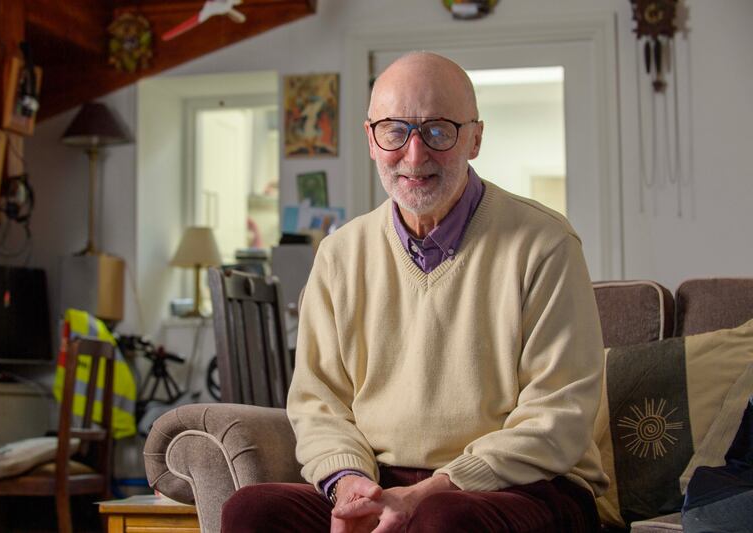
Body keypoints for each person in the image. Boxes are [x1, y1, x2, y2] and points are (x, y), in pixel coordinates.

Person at [222, 51, 609, 532]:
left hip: (526, 484)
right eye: (394, 130)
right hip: (382, 480)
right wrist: (351, 486)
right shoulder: (339, 254)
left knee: (440, 519)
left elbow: (559, 417)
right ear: (370, 138)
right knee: (251, 510)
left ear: (476, 138)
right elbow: (318, 403)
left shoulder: (545, 243)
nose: (414, 154)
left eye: (439, 130)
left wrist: (432, 490)